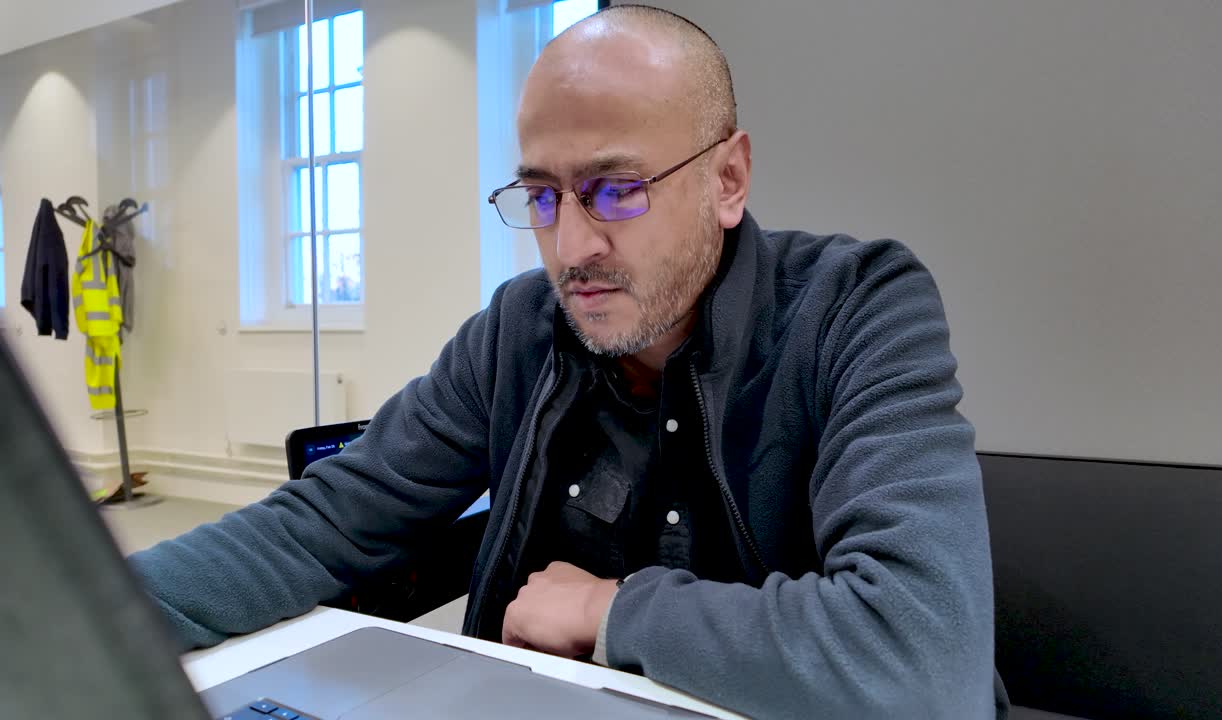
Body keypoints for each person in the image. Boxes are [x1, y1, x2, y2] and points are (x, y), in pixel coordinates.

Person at [130, 5, 1007, 717]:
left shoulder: (857, 307)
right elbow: (319, 522)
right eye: (542, 196)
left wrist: (611, 609)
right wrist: (79, 617)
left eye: (616, 189)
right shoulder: (520, 328)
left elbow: (921, 662)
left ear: (728, 179)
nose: (570, 245)